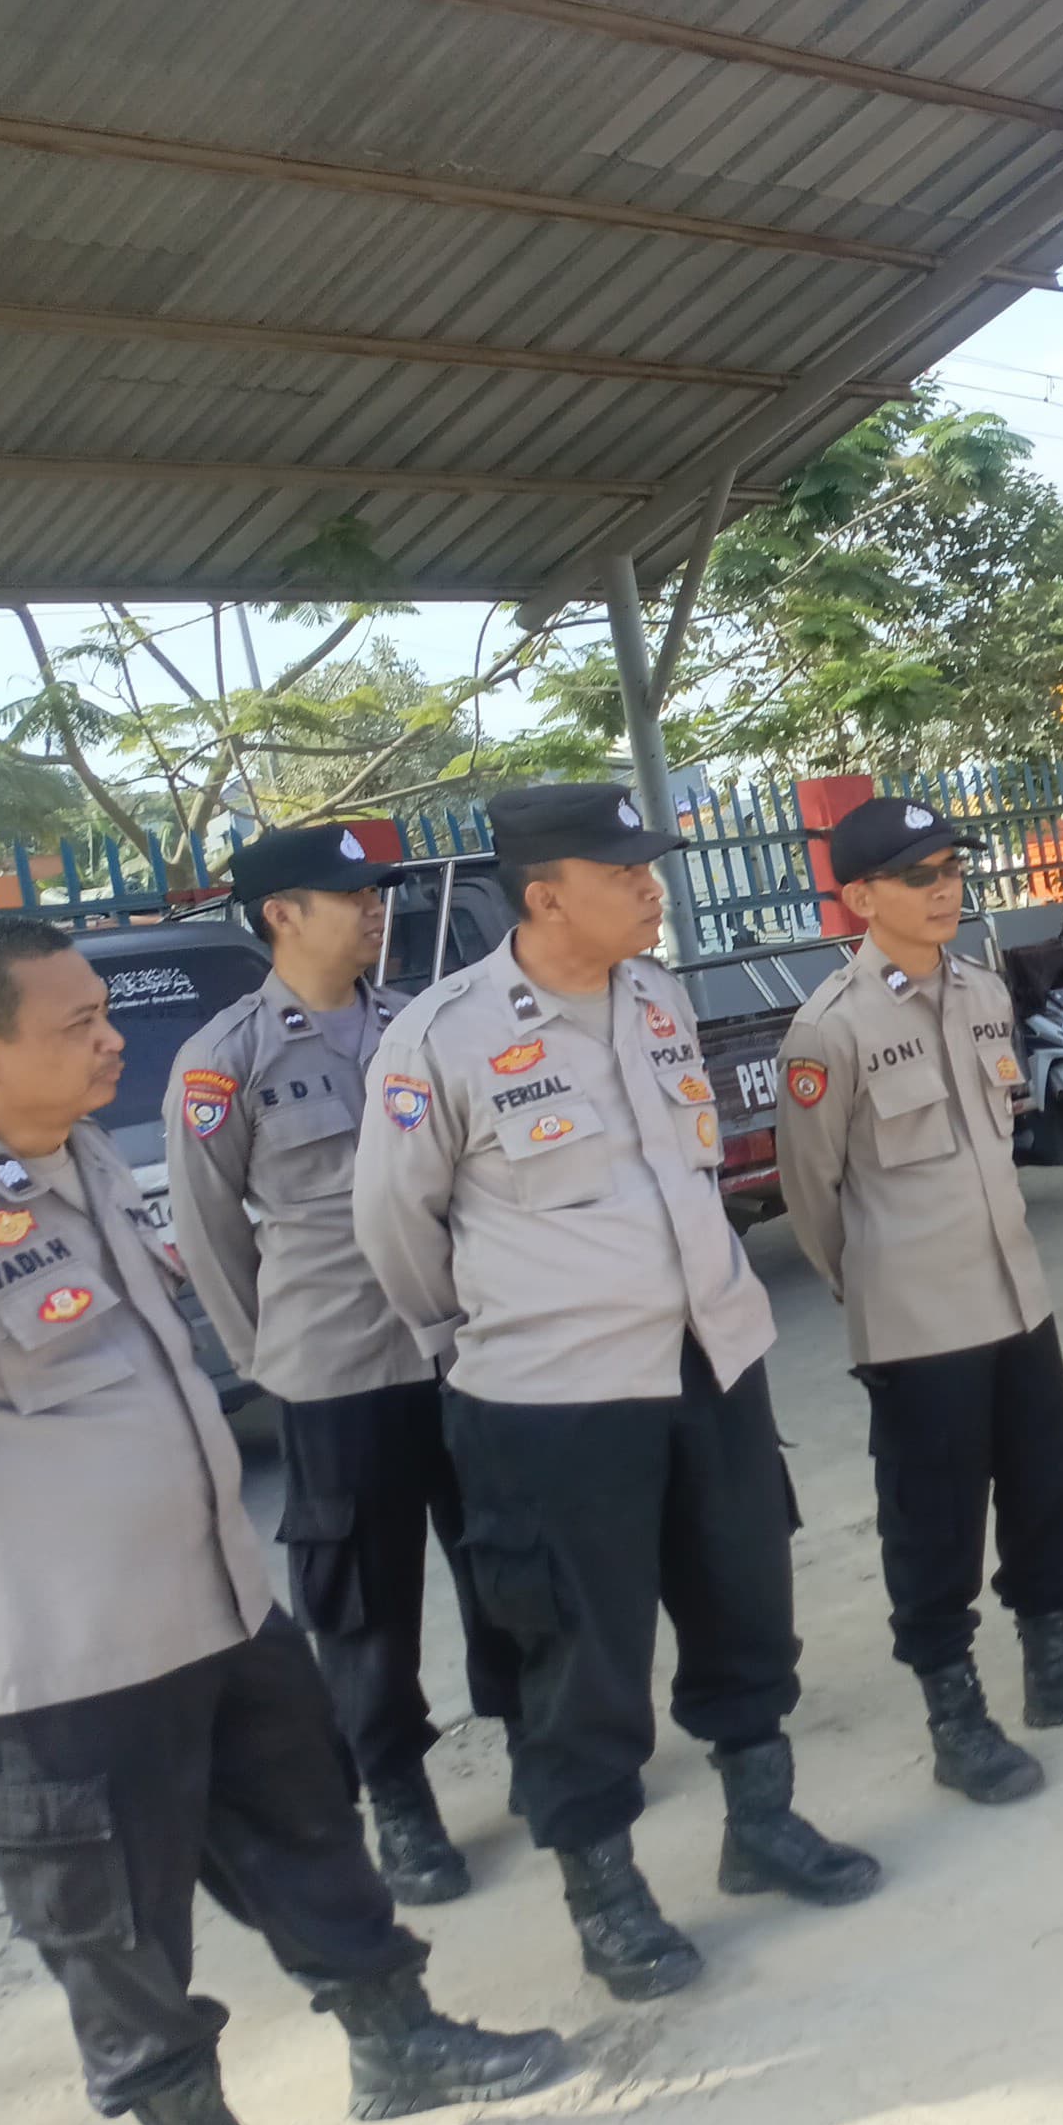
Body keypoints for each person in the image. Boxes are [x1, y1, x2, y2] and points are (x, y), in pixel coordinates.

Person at [0, 916, 564, 2125]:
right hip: (51, 1654)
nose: (112, 1042)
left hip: (210, 1603)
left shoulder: (81, 1157)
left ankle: (397, 2043)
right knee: (110, 1917)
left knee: (307, 1829)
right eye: (78, 1025)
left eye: (104, 1013)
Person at [356, 782, 876, 2004]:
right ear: (545, 897)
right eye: (623, 873)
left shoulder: (653, 996)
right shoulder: (440, 1038)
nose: (652, 888)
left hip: (710, 1357)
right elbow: (394, 1226)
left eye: (649, 867)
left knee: (745, 1602)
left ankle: (762, 1825)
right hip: (555, 1400)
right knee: (579, 1655)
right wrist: (486, 1335)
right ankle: (606, 1897)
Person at [773, 796, 1063, 1806]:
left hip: (1016, 1299)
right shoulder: (829, 1031)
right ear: (862, 898)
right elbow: (813, 1199)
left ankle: (1056, 1667)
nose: (945, 890)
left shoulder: (984, 993)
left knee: (1044, 1487)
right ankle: (955, 1718)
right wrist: (875, 1288)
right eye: (920, 876)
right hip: (917, 1323)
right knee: (934, 1525)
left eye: (952, 870)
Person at [168, 823, 519, 1907]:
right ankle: (400, 1800)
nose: (375, 908)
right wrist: (269, 1358)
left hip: (458, 1343)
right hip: (338, 1365)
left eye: (377, 891)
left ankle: (541, 1745)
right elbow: (210, 1234)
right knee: (363, 1603)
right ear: (281, 914)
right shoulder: (225, 1062)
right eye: (350, 894)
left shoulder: (419, 1026)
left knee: (507, 1557)